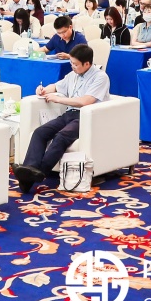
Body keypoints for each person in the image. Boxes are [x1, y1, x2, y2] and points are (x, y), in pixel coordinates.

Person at [13, 44, 108, 193]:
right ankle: (30, 169)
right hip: (69, 114)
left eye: (75, 64)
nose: (72, 67)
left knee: (61, 136)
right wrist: (44, 90)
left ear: (87, 64)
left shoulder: (100, 77)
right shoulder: (73, 75)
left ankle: (39, 173)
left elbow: (86, 101)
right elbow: (56, 86)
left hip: (86, 117)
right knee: (40, 132)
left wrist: (59, 100)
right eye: (71, 63)